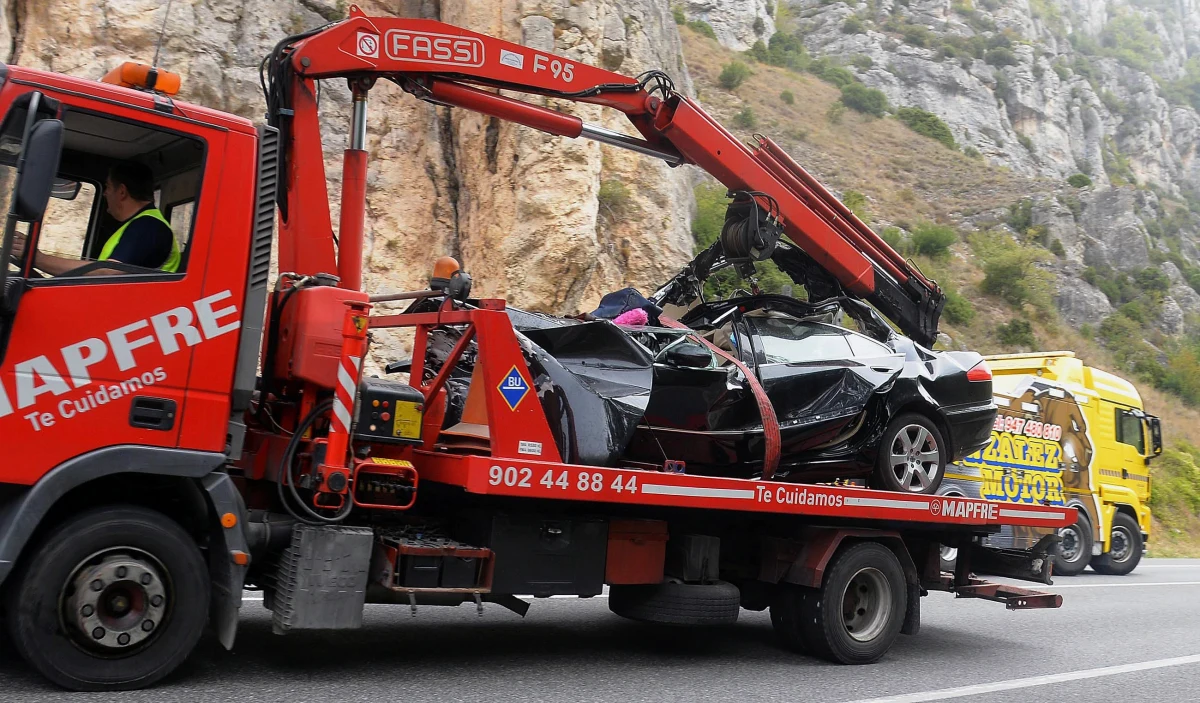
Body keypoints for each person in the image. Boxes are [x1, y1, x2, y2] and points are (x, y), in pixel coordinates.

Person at [13, 160, 180, 276]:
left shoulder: (149, 227)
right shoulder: (141, 224)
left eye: (107, 187)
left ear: (122, 192)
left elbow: (109, 271)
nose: (105, 193)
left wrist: (38, 258)